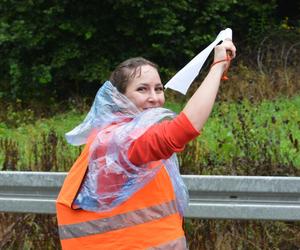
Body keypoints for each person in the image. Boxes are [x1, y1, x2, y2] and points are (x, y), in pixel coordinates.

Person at [56, 40, 236, 250]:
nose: (154, 98)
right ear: (118, 98)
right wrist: (217, 67)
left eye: (158, 89)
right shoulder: (118, 141)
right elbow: (183, 129)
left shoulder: (128, 135)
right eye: (142, 89)